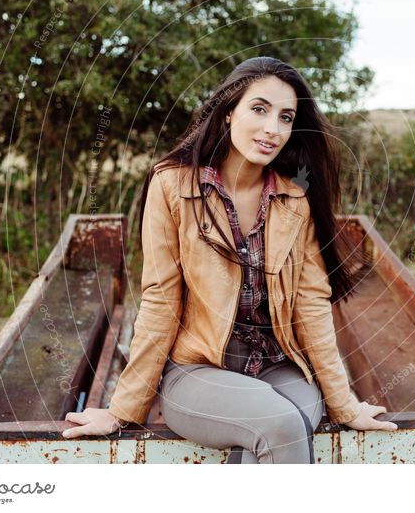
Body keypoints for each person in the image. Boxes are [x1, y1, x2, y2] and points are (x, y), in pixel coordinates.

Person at [62, 56, 397, 462]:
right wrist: (122, 410)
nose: (273, 129)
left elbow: (311, 305)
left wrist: (345, 405)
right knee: (283, 425)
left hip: (280, 365)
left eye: (286, 117)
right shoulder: (172, 185)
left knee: (286, 425)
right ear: (227, 112)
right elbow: (160, 298)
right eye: (259, 109)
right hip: (197, 370)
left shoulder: (295, 200)